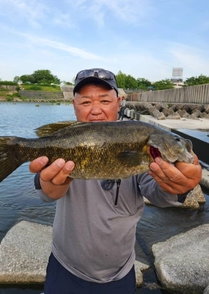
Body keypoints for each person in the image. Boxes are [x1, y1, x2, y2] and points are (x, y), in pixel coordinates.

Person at [29, 68, 202, 294]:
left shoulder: (146, 149)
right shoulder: (67, 138)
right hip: (65, 268)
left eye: (104, 100)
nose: (96, 110)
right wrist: (51, 188)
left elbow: (160, 195)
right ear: (73, 106)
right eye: (86, 102)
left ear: (118, 102)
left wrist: (179, 188)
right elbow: (45, 188)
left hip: (119, 274)